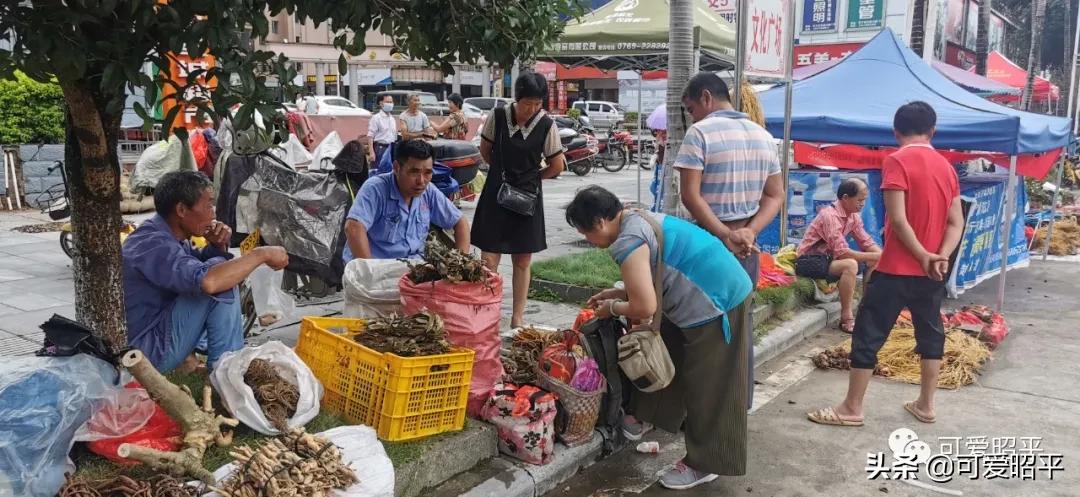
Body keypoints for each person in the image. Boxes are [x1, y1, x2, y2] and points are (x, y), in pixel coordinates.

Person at [566, 186, 754, 490]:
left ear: (600, 222)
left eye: (585, 232)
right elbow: (654, 273)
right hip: (701, 290)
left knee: (710, 383)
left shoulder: (628, 240)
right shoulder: (634, 217)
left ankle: (705, 463)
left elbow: (644, 306)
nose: (587, 239)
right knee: (668, 350)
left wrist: (611, 308)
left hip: (717, 299)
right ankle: (646, 416)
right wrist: (620, 293)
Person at [807, 101, 964, 427]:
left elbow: (898, 219)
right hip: (932, 270)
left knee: (868, 334)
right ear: (932, 131)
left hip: (895, 268)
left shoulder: (896, 160)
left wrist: (920, 254)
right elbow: (955, 222)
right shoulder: (947, 168)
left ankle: (852, 408)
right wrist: (939, 256)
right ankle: (926, 405)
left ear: (896, 132)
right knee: (931, 333)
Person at [674, 72, 784, 405]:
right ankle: (739, 401)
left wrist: (724, 234)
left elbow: (690, 196)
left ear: (706, 97)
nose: (692, 115)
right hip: (746, 246)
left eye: (691, 107)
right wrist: (749, 231)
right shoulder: (763, 136)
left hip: (706, 241)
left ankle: (702, 408)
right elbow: (775, 195)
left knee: (699, 324)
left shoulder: (699, 133)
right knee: (739, 323)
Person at [122, 171, 289, 373]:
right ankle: (226, 373)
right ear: (182, 210)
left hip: (155, 335)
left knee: (219, 270)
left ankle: (225, 362)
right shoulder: (152, 243)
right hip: (145, 353)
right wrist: (260, 255)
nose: (213, 213)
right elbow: (208, 282)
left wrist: (216, 246)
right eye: (208, 205)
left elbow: (192, 265)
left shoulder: (164, 234)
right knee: (219, 287)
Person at [472, 71, 565, 329]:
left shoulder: (546, 124)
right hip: (495, 194)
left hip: (527, 199)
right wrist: (502, 175)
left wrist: (534, 179)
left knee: (523, 259)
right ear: (517, 99)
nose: (532, 109)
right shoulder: (499, 116)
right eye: (527, 104)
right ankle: (487, 313)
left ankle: (517, 316)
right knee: (489, 259)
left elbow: (557, 165)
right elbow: (485, 151)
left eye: (537, 104)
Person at [343, 139, 470, 261]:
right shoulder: (375, 188)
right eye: (414, 172)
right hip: (379, 268)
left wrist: (460, 263)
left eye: (427, 173)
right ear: (397, 168)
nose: (421, 181)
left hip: (414, 267)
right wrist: (369, 272)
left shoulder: (429, 191)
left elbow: (460, 222)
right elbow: (353, 228)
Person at [795, 178, 882, 333]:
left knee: (874, 261)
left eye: (864, 200)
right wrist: (876, 256)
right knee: (851, 264)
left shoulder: (853, 217)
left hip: (828, 260)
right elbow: (842, 253)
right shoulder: (830, 216)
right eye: (859, 200)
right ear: (846, 198)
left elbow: (866, 242)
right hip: (809, 260)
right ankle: (846, 317)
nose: (862, 204)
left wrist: (881, 255)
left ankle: (867, 310)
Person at [367, 94, 398, 164]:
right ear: (381, 103)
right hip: (380, 148)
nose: (390, 104)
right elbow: (370, 136)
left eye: (391, 102)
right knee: (379, 171)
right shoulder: (376, 118)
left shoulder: (392, 119)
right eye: (387, 102)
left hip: (391, 147)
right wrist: (371, 152)